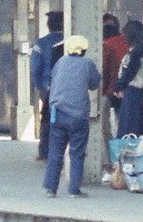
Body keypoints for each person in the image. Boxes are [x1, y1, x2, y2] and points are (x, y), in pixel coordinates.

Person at [43, 35, 101, 198]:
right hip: (78, 116)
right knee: (77, 152)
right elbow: (94, 84)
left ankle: (51, 189)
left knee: (55, 151)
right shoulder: (87, 64)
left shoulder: (60, 62)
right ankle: (74, 190)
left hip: (57, 113)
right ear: (84, 50)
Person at [109, 19, 143, 139]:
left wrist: (117, 87)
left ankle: (125, 148)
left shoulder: (137, 52)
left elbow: (129, 73)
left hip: (133, 92)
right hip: (140, 93)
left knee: (128, 126)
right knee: (136, 125)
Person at [31, 10, 64, 163]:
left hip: (47, 86)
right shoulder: (68, 42)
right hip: (64, 86)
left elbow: (35, 67)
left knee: (46, 119)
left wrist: (38, 86)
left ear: (48, 25)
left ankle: (45, 152)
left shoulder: (40, 43)